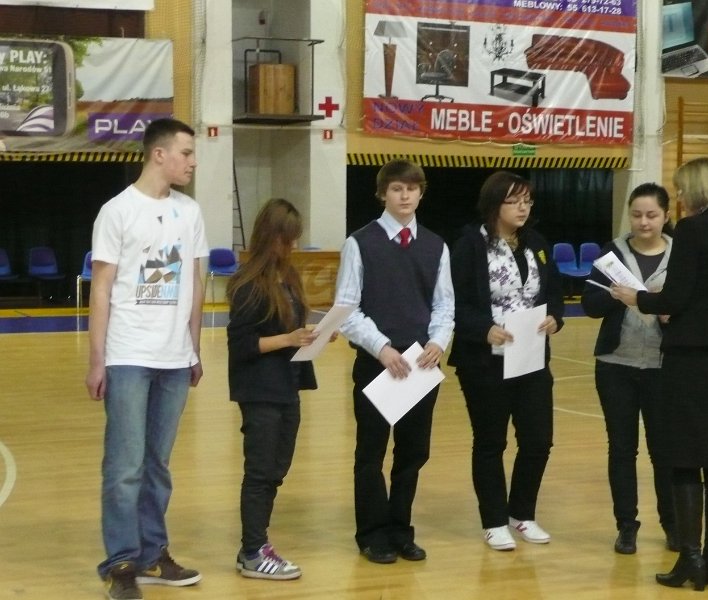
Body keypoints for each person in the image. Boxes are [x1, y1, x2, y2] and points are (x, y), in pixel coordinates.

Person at [611, 158, 708, 591]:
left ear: (695, 190)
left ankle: (690, 558)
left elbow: (675, 298)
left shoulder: (692, 230)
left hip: (692, 357)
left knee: (684, 457)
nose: (677, 196)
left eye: (680, 189)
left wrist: (637, 297)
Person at [85, 118, 208, 600]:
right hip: (128, 354)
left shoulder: (189, 211)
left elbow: (195, 283)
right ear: (159, 154)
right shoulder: (117, 211)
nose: (193, 162)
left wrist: (194, 347)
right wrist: (98, 359)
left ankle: (153, 553)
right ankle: (120, 561)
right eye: (186, 153)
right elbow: (101, 288)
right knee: (125, 465)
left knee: (158, 463)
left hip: (175, 358)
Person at [334, 159, 454, 564]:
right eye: (397, 189)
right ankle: (372, 534)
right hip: (378, 365)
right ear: (382, 193)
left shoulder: (436, 245)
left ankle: (401, 530)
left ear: (421, 193)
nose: (405, 196)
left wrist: (438, 341)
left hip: (421, 366)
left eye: (412, 188)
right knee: (371, 454)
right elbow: (347, 309)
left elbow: (444, 305)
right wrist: (382, 348)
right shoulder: (360, 243)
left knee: (412, 453)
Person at [447, 171, 564, 551]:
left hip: (530, 357)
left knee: (538, 440)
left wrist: (555, 317)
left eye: (527, 201)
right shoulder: (469, 245)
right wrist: (483, 329)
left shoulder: (537, 244)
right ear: (495, 204)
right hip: (485, 361)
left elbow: (554, 293)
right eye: (514, 201)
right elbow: (453, 303)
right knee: (490, 442)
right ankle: (494, 520)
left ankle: (522, 514)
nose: (523, 208)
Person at [227, 198, 322, 581]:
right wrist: (288, 339)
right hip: (259, 389)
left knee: (276, 471)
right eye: (288, 238)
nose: (293, 245)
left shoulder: (289, 277)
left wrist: (313, 336)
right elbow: (241, 345)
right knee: (260, 472)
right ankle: (252, 550)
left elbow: (290, 330)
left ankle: (257, 544)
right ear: (271, 236)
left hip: (287, 385)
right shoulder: (248, 283)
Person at [581, 183, 676, 555]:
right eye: (636, 215)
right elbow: (589, 305)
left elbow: (693, 306)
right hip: (615, 365)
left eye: (651, 215)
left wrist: (668, 312)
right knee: (622, 449)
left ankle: (672, 525)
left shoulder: (680, 254)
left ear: (666, 216)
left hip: (663, 366)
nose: (643, 222)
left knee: (664, 451)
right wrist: (615, 295)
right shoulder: (612, 253)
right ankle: (626, 526)